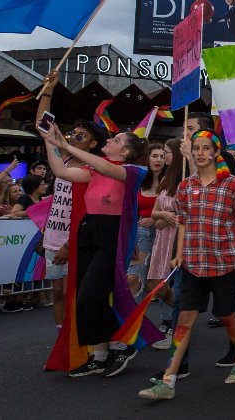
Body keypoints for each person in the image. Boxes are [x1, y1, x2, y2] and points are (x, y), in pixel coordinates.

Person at [139, 131, 235, 400]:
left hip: (225, 262)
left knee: (227, 314)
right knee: (185, 319)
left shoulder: (233, 185)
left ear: (215, 152)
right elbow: (182, 222)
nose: (201, 153)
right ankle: (168, 378)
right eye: (196, 148)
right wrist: (179, 254)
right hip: (192, 263)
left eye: (206, 148)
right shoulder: (185, 186)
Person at [41, 124, 151, 378]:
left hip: (112, 234)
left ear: (124, 152)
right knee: (86, 295)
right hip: (89, 229)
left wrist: (66, 146)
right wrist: (50, 141)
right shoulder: (94, 169)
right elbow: (61, 171)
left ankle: (121, 345)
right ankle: (100, 355)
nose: (109, 140)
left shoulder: (133, 171)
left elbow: (107, 168)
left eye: (116, 139)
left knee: (92, 293)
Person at [147, 139, 185, 352]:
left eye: (167, 152)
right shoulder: (165, 180)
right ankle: (182, 317)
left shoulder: (186, 180)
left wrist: (173, 218)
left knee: (173, 287)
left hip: (178, 238)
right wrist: (163, 215)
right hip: (162, 238)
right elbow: (154, 211)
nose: (163, 155)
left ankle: (178, 323)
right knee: (155, 285)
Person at [129, 143, 169, 298]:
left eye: (162, 156)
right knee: (133, 278)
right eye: (154, 156)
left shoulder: (171, 182)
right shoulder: (138, 181)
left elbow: (178, 208)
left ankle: (171, 318)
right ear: (147, 158)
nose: (158, 159)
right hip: (141, 233)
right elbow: (131, 212)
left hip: (165, 231)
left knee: (160, 283)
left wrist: (154, 218)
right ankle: (132, 321)